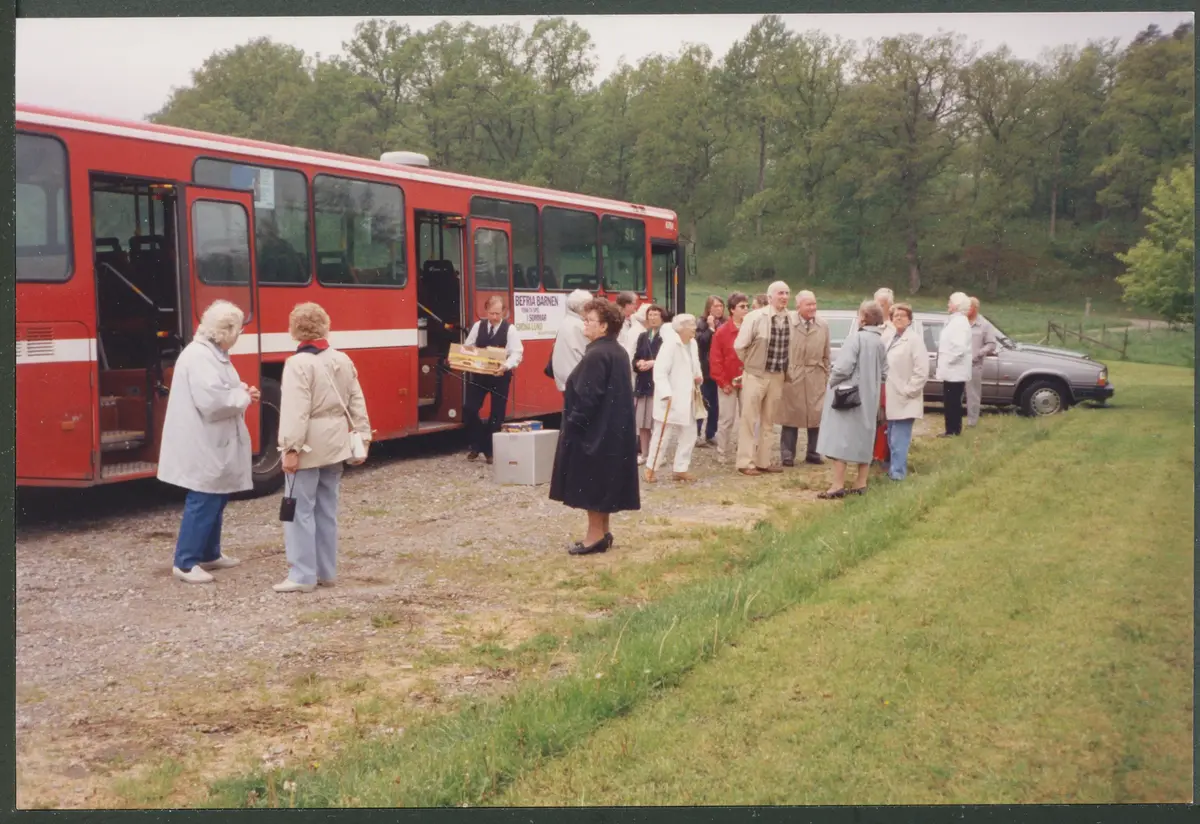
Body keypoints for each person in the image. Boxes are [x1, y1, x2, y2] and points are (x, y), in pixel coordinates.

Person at [157, 299, 260, 584]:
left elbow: (219, 389)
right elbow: (212, 402)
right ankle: (186, 562)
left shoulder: (209, 354)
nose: (239, 336)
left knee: (217, 493)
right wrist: (243, 397)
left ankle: (209, 552)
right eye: (237, 330)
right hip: (204, 437)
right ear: (226, 331)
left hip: (211, 437)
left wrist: (240, 390)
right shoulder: (200, 356)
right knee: (205, 495)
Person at [274, 302, 372, 593]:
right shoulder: (342, 359)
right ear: (325, 325)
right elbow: (357, 401)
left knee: (298, 510)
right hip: (336, 441)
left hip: (307, 444)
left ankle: (302, 575)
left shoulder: (297, 364)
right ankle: (326, 571)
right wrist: (363, 436)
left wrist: (290, 448)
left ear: (295, 331)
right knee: (327, 509)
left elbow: (295, 410)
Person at [549, 298, 640, 556]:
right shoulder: (616, 351)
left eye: (589, 320)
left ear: (604, 327)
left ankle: (594, 536)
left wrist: (573, 427)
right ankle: (604, 531)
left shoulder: (597, 354)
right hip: (612, 430)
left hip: (596, 433)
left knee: (593, 484)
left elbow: (588, 398)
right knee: (604, 482)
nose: (584, 324)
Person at [816, 300, 888, 499]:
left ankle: (837, 484)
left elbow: (843, 367)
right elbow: (884, 373)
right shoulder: (879, 342)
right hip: (869, 399)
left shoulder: (855, 339)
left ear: (864, 318)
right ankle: (860, 482)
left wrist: (831, 380)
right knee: (864, 438)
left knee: (840, 438)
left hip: (847, 397)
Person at [733, 281, 791, 476]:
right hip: (755, 375)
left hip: (777, 376)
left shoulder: (790, 318)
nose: (784, 297)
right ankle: (745, 462)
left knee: (769, 421)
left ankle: (763, 461)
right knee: (749, 419)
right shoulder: (755, 317)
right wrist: (751, 365)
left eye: (787, 293)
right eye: (780, 293)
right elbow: (740, 346)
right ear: (770, 297)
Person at [462, 296, 524, 465]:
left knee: (497, 414)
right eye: (491, 313)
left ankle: (489, 451)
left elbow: (517, 353)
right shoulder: (478, 326)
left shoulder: (510, 329)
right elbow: (469, 346)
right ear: (486, 311)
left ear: (503, 312)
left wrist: (505, 366)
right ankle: (478, 443)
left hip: (500, 376)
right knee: (469, 409)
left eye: (497, 313)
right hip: (480, 375)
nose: (494, 317)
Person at [645, 314, 704, 483]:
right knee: (662, 436)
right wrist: (666, 393)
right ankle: (651, 468)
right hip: (670, 399)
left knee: (689, 434)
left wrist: (698, 377)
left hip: (688, 398)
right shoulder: (670, 345)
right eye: (691, 325)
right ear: (681, 328)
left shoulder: (692, 343)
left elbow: (696, 364)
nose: (695, 327)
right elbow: (660, 372)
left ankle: (680, 469)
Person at [779, 291, 831, 467]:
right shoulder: (787, 323)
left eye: (814, 304)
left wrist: (826, 375)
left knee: (816, 415)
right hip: (793, 373)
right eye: (808, 304)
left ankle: (814, 452)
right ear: (798, 306)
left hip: (816, 374)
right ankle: (787, 454)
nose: (812, 308)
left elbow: (826, 354)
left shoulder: (823, 325)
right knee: (791, 415)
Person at [883, 303, 928, 481]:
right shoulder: (889, 338)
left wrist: (909, 391)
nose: (899, 318)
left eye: (903, 315)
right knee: (891, 438)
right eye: (895, 315)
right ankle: (893, 470)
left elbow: (922, 371)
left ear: (909, 319)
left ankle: (898, 475)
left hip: (906, 398)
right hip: (891, 397)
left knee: (899, 439)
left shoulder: (914, 340)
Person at [708, 292, 749, 463]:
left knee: (748, 417)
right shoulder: (722, 332)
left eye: (747, 306)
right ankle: (722, 451)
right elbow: (715, 359)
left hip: (748, 379)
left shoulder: (751, 328)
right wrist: (722, 382)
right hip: (728, 381)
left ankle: (746, 451)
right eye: (742, 307)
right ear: (732, 310)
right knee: (726, 419)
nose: (746, 309)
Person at [936, 291, 973, 437]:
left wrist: (948, 362)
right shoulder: (956, 320)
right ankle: (951, 429)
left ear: (956, 305)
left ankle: (953, 431)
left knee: (952, 402)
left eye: (950, 302)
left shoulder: (959, 322)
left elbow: (959, 348)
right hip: (951, 370)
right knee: (950, 401)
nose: (948, 304)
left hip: (954, 371)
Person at [632, 304, 666, 465]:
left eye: (655, 315)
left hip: (657, 384)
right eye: (650, 315)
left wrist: (653, 363)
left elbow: (668, 360)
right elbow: (635, 357)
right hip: (643, 383)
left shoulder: (665, 337)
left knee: (656, 422)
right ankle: (645, 453)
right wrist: (638, 363)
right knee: (643, 422)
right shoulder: (642, 336)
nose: (652, 318)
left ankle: (658, 454)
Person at [694, 296, 725, 447]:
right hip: (705, 368)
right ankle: (696, 434)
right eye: (716, 306)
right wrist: (711, 328)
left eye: (721, 306)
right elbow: (701, 342)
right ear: (709, 308)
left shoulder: (725, 323)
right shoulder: (701, 323)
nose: (719, 309)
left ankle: (711, 433)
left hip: (719, 369)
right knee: (703, 402)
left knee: (716, 403)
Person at [966, 296, 999, 427]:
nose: (965, 310)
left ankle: (972, 422)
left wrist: (978, 353)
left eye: (968, 307)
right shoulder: (961, 322)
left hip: (974, 365)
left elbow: (991, 344)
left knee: (973, 394)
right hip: (958, 364)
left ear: (974, 308)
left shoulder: (984, 325)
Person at [872, 287, 896, 466]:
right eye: (876, 304)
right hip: (871, 376)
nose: (879, 308)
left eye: (882, 305)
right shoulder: (871, 325)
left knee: (884, 417)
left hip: (886, 378)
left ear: (890, 306)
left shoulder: (892, 328)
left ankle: (882, 454)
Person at [552, 289, 592, 391]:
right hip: (577, 382)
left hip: (567, 381)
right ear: (584, 307)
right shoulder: (580, 326)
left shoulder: (567, 321)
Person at [616, 291, 643, 368]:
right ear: (627, 305)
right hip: (620, 359)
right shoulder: (615, 320)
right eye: (634, 303)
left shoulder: (634, 318)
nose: (636, 306)